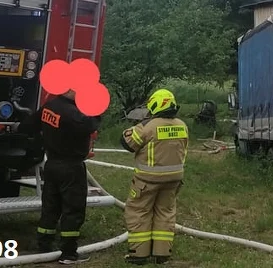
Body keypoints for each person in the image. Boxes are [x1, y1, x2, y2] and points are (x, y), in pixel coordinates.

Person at [18, 89, 101, 264]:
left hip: (51, 165)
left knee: (50, 206)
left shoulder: (49, 107)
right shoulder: (73, 113)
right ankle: (69, 253)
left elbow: (27, 126)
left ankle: (44, 245)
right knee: (73, 208)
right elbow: (91, 125)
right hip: (71, 167)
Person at [120, 89, 190, 265]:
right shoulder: (182, 125)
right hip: (173, 180)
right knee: (165, 213)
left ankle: (139, 253)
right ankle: (162, 252)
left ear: (154, 105)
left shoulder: (147, 127)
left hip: (147, 181)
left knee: (138, 212)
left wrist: (138, 125)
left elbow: (128, 143)